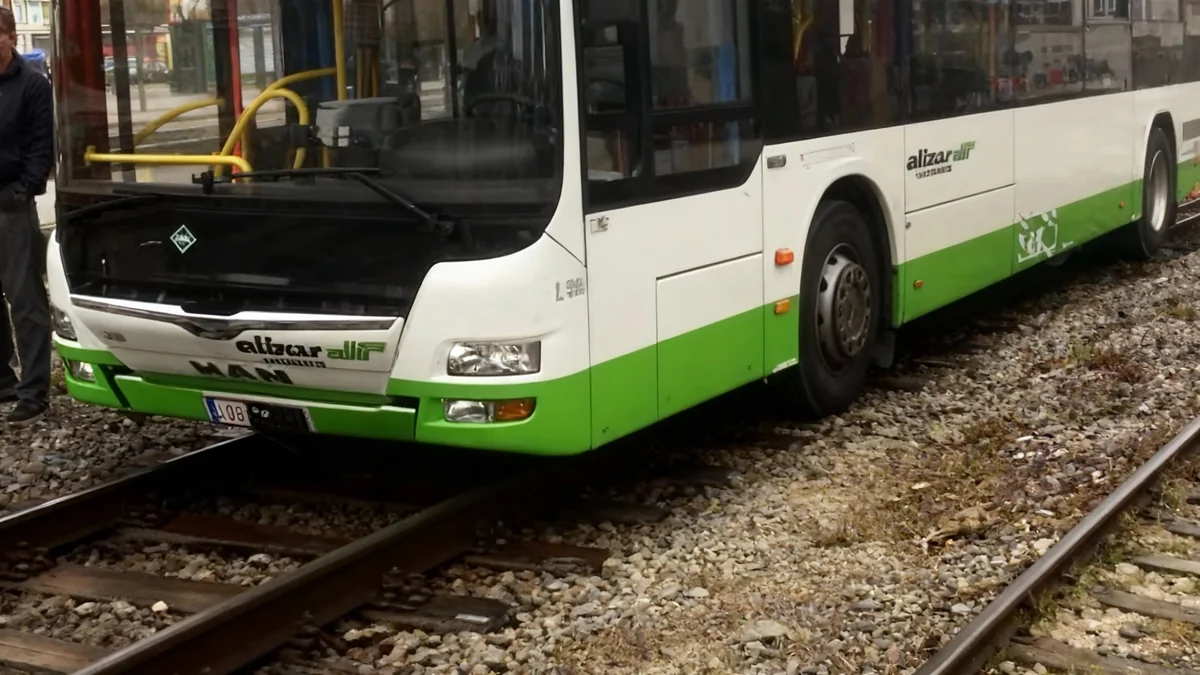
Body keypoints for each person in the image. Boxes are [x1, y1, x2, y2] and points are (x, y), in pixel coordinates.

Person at [0, 6, 54, 426]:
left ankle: (34, 392)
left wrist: (26, 189)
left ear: (12, 37)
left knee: (25, 299)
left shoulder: (33, 85)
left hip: (11, 204)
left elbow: (42, 144)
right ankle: (3, 379)